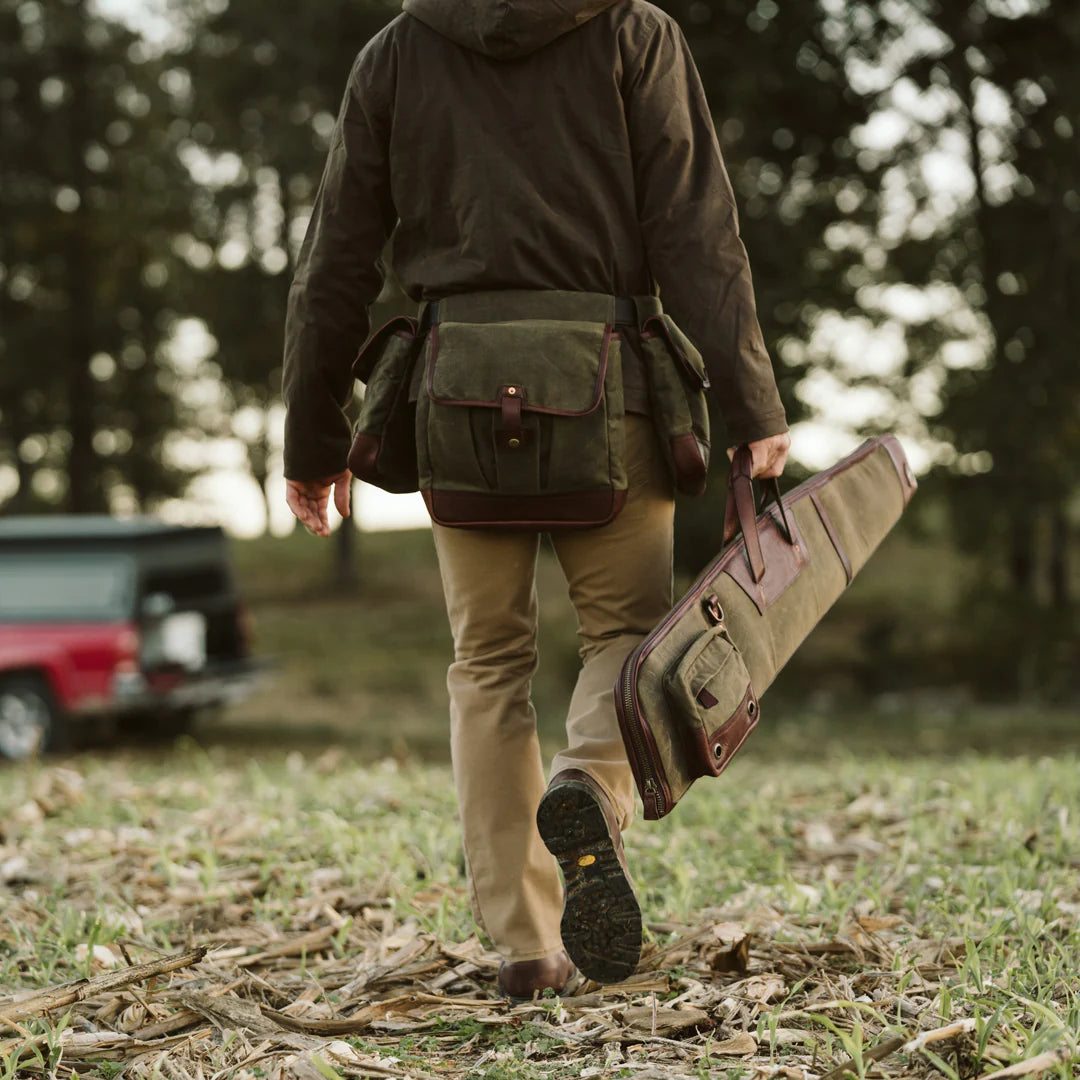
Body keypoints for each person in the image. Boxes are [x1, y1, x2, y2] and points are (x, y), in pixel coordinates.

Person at [282, 0, 790, 999]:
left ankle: (525, 945)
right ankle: (590, 785)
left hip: (454, 394)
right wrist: (749, 396)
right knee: (628, 639)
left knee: (487, 663)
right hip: (613, 390)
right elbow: (695, 229)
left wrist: (312, 433)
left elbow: (337, 255)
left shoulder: (397, 52)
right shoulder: (634, 33)